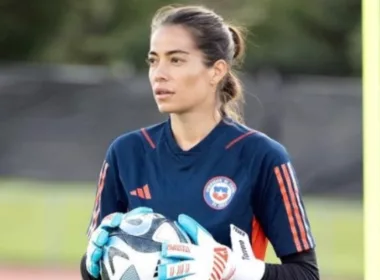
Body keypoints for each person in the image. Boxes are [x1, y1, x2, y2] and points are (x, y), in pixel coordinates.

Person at [80, 4, 319, 280]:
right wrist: (91, 264)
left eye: (176, 60)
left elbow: (306, 274)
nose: (159, 73)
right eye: (153, 60)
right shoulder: (126, 153)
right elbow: (98, 268)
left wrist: (232, 269)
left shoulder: (262, 157)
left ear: (216, 71)